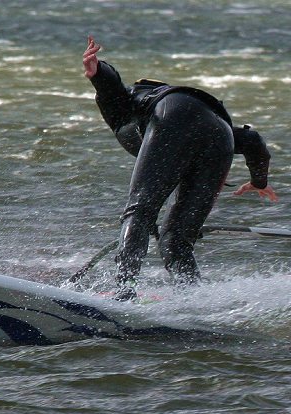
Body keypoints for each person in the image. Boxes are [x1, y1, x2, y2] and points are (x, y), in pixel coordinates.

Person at [82, 36, 278, 300]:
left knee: (138, 212)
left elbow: (111, 89)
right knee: (175, 239)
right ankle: (194, 300)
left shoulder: (141, 104)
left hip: (176, 114)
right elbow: (253, 141)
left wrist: (100, 71)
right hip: (219, 132)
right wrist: (260, 181)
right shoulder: (128, 112)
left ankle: (125, 293)